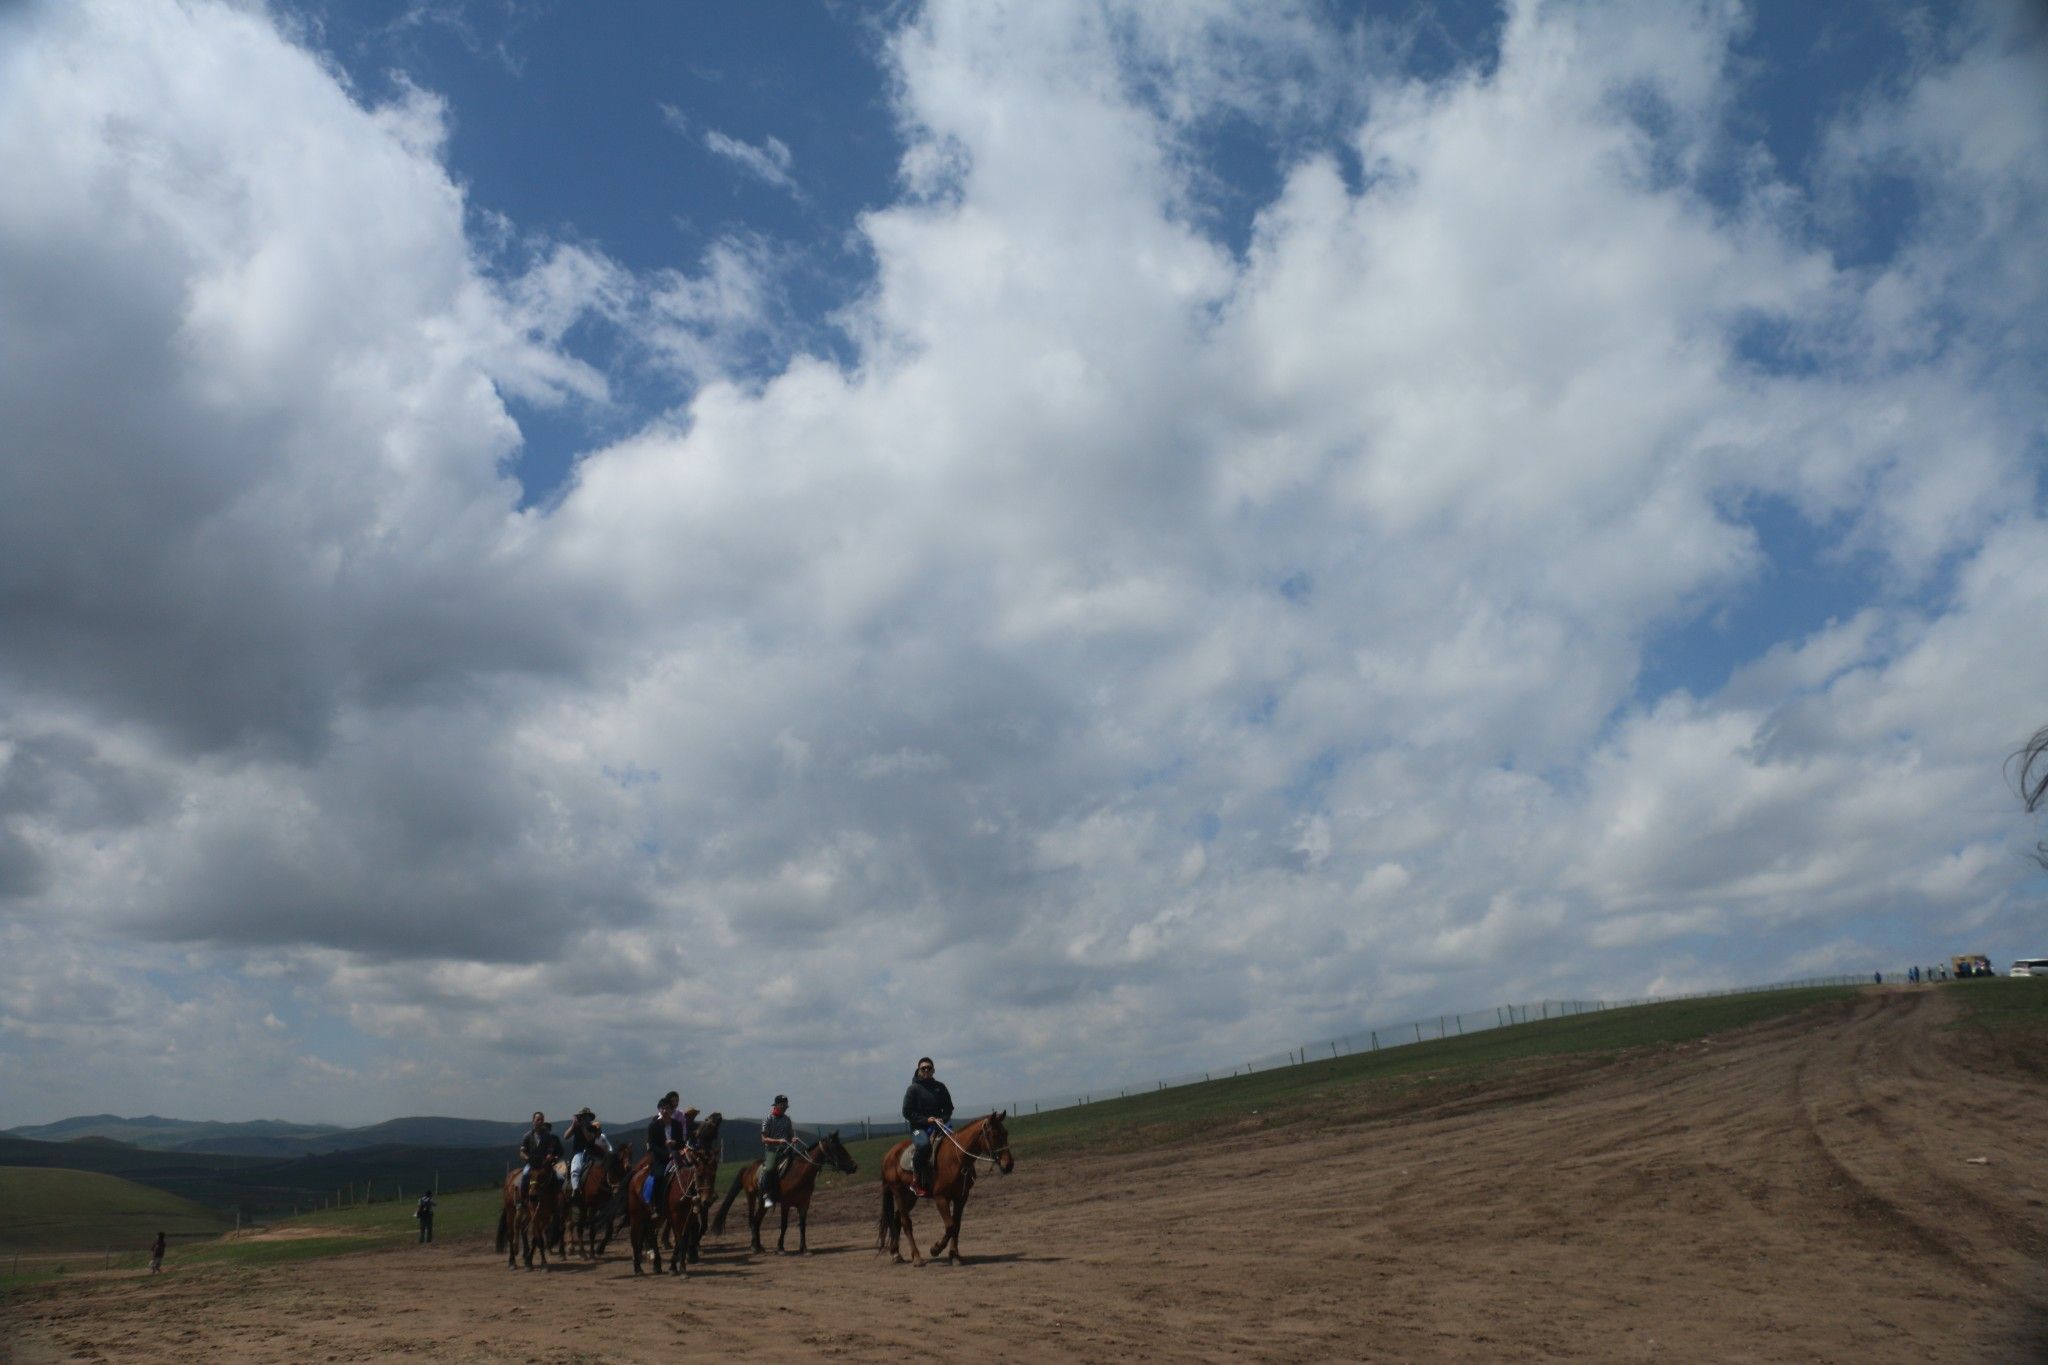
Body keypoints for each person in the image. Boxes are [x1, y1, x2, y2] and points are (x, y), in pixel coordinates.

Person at [900, 1056, 954, 1196]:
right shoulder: (913, 1089)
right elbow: (907, 1112)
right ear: (918, 1070)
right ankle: (916, 1182)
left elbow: (949, 1107)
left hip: (939, 1125)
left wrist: (943, 1118)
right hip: (918, 1129)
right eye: (923, 1068)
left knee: (955, 1142)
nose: (926, 1070)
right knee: (924, 1146)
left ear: (933, 1070)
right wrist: (926, 1120)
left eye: (929, 1068)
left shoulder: (940, 1088)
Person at [644, 1091, 700, 1198]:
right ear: (659, 1110)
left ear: (671, 1110)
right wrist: (666, 1155)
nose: (665, 1111)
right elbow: (653, 1145)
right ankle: (655, 1203)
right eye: (663, 1108)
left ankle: (696, 1195)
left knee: (694, 1168)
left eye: (667, 1108)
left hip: (676, 1154)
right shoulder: (653, 1126)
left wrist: (676, 1143)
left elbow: (681, 1143)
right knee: (658, 1177)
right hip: (660, 1157)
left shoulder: (677, 1125)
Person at [516, 1111, 563, 1196]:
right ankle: (522, 1201)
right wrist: (527, 1158)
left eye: (542, 1120)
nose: (540, 1121)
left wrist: (549, 1158)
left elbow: (550, 1151)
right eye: (538, 1119)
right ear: (533, 1121)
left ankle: (559, 1201)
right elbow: (522, 1152)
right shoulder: (527, 1136)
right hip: (531, 1164)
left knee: (559, 1178)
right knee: (524, 1176)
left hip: (544, 1164)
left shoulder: (547, 1136)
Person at [759, 1094, 794, 1208]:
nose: (785, 1108)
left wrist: (793, 1139)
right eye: (783, 1105)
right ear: (777, 1105)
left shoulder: (787, 1119)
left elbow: (790, 1135)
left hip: (787, 1149)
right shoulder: (768, 1119)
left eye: (786, 1106)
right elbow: (764, 1139)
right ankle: (766, 1195)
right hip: (772, 1151)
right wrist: (778, 1141)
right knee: (769, 1169)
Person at [566, 1106, 611, 1193]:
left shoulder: (593, 1128)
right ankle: (575, 1189)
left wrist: (583, 1127)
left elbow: (589, 1138)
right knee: (575, 1169)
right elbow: (566, 1136)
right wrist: (573, 1125)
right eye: (584, 1116)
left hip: (591, 1153)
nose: (586, 1118)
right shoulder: (576, 1127)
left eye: (587, 1117)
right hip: (579, 1153)